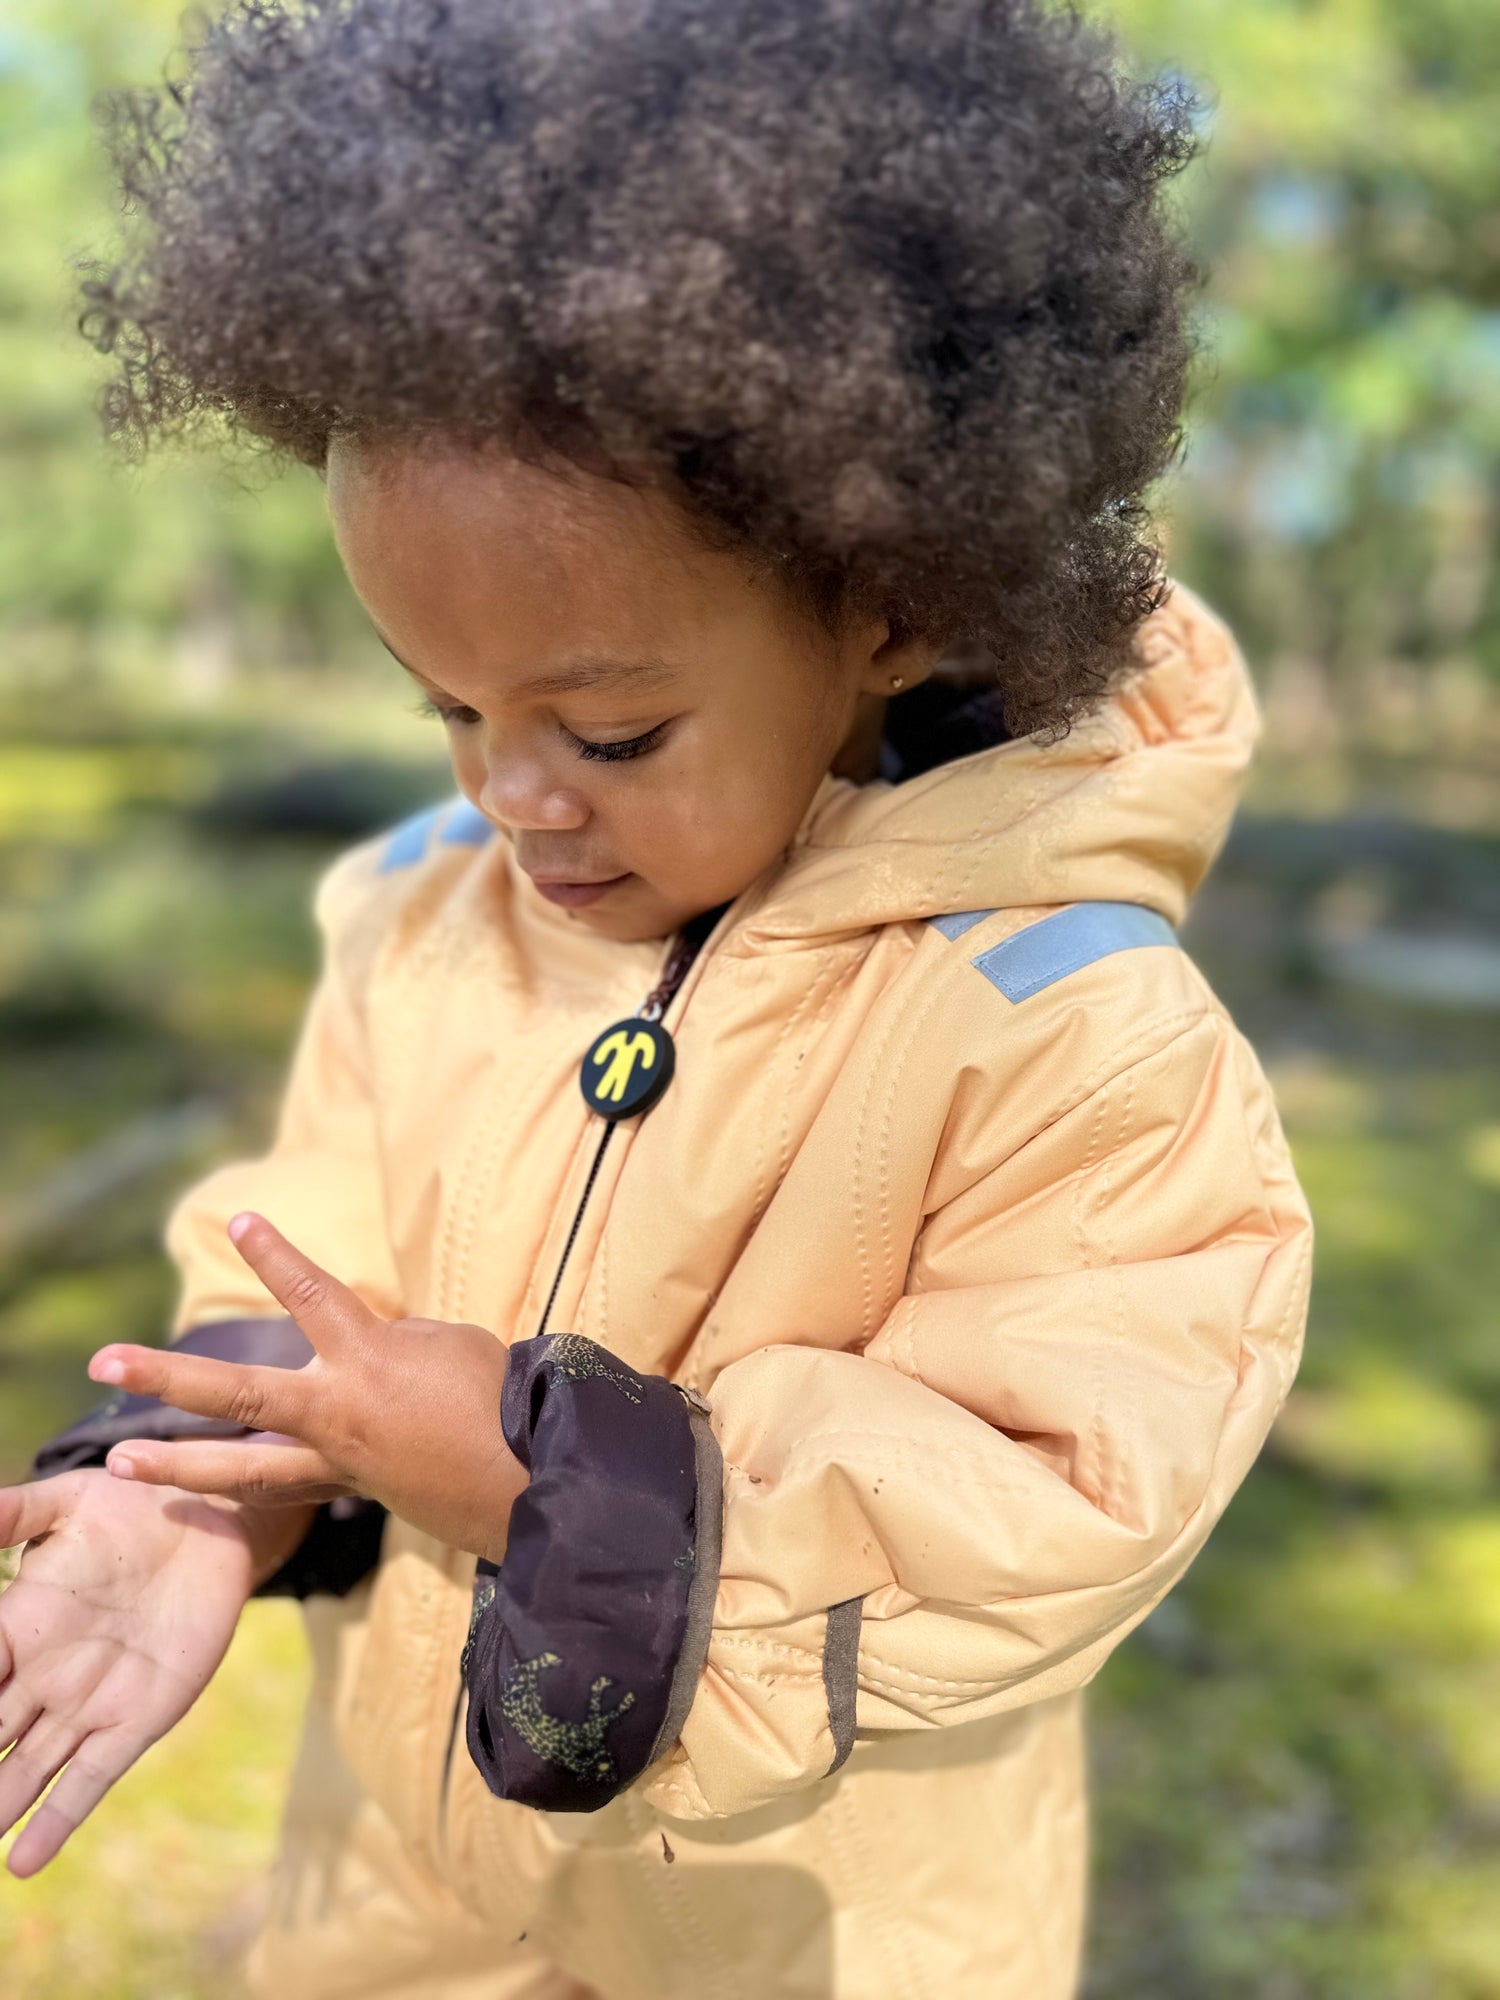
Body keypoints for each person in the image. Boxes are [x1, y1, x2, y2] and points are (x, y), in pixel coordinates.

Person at [0, 2, 1312, 1995]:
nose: (510, 794)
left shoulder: (1073, 1038)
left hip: (810, 1936)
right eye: (447, 704)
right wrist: (205, 1498)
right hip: (407, 1922)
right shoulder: (430, 914)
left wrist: (556, 1489)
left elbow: (1045, 1507)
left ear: (893, 596)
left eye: (608, 726)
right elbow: (313, 1246)